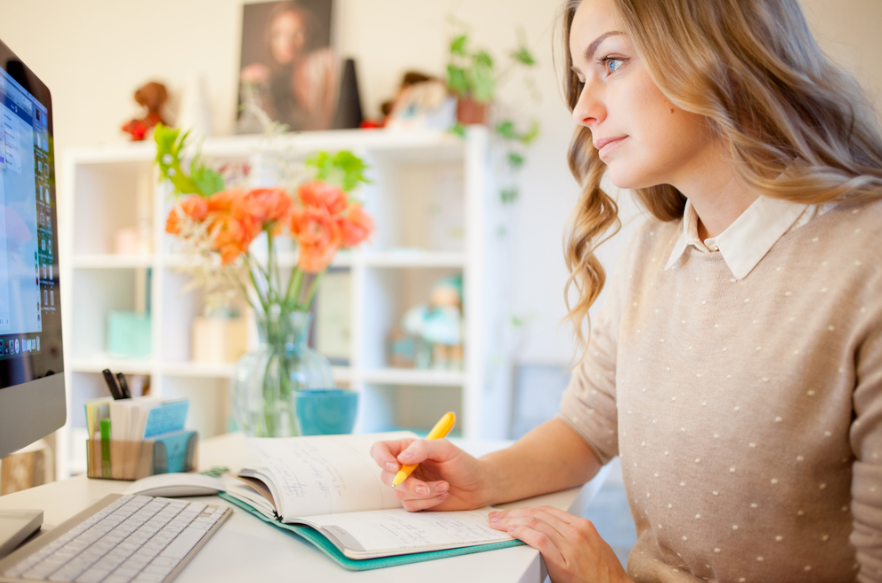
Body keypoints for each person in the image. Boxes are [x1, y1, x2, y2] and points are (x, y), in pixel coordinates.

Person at [370, 0, 882, 581]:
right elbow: (587, 430)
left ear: (723, 50)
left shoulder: (868, 264)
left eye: (611, 62)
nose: (584, 110)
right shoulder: (655, 249)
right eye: (581, 80)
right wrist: (483, 478)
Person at [239, 1, 337, 131]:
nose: (286, 42)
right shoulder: (272, 78)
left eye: (297, 33)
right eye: (278, 34)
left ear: (309, 34)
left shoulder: (323, 62)